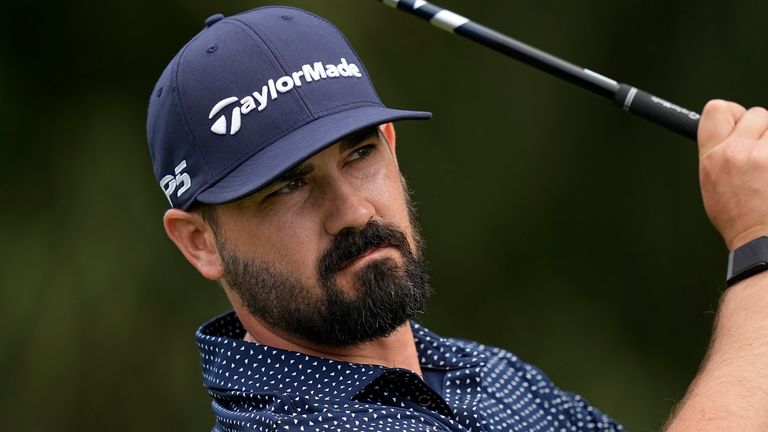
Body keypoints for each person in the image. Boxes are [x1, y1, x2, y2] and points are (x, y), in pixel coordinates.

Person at [146, 6, 768, 432]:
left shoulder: (486, 375)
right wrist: (756, 248)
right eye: (288, 186)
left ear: (391, 145)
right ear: (200, 243)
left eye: (360, 155)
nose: (353, 212)